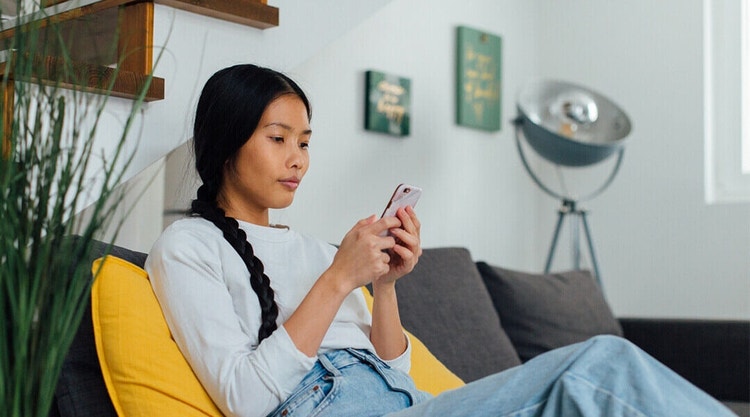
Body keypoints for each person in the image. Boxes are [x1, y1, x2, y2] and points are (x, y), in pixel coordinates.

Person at [145, 64, 734, 417]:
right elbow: (245, 399)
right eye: (279, 138)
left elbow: (396, 374)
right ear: (226, 140)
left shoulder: (320, 250)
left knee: (588, 393)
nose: (298, 159)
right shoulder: (188, 247)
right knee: (597, 368)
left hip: (407, 405)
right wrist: (338, 280)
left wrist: (384, 285)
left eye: (305, 141)